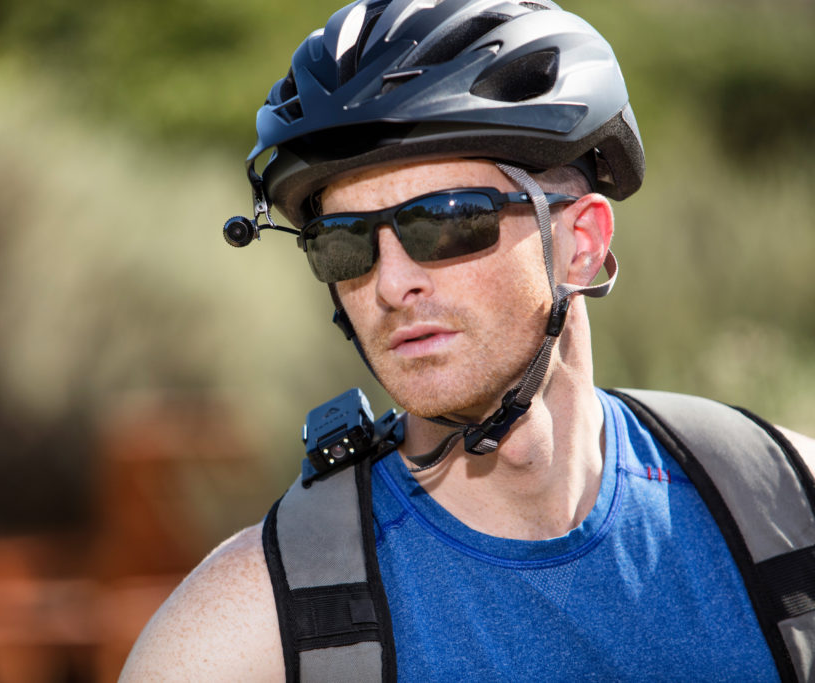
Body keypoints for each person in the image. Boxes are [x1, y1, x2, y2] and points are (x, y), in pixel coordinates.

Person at [121, 0, 815, 680]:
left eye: (448, 221)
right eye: (343, 242)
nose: (392, 284)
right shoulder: (241, 638)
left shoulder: (787, 512)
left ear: (582, 242)